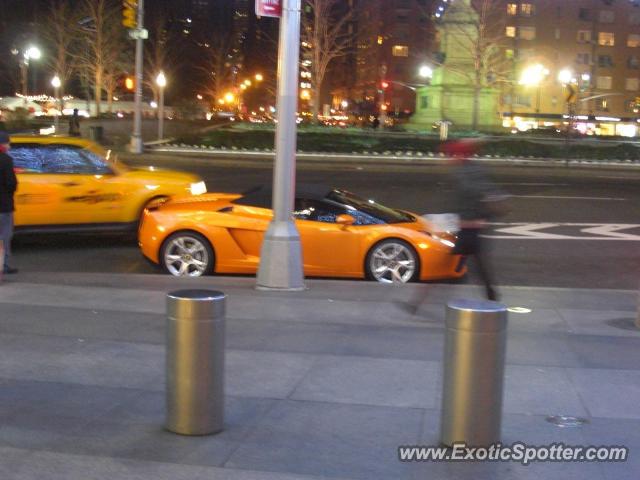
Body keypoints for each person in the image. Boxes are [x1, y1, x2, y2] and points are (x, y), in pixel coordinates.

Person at [446, 139, 505, 301]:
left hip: (469, 228)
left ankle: (417, 303)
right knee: (475, 266)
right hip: (470, 227)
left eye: (451, 155)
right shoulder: (473, 169)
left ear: (459, 155)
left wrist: (471, 220)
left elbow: (472, 197)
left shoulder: (465, 175)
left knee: (448, 264)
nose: (448, 159)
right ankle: (491, 295)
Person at [0, 131, 18, 278]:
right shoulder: (6, 160)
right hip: (3, 205)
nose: (9, 145)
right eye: (7, 142)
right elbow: (11, 183)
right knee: (4, 236)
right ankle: (3, 265)